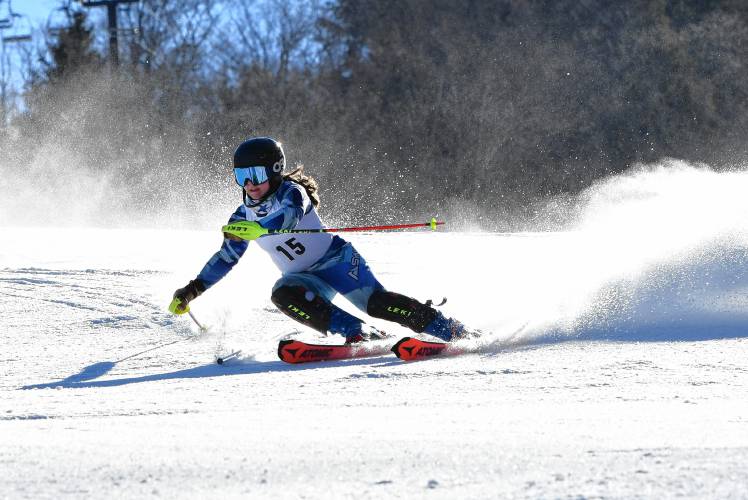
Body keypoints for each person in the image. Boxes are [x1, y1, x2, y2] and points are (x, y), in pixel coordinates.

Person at [169, 137, 468, 343]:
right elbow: (226, 258)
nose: (249, 184)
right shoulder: (241, 217)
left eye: (256, 174)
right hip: (304, 279)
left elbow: (290, 216)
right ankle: (357, 332)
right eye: (241, 175)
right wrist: (193, 290)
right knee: (282, 293)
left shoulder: (291, 192)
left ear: (274, 171)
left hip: (337, 262)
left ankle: (450, 329)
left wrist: (263, 228)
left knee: (376, 304)